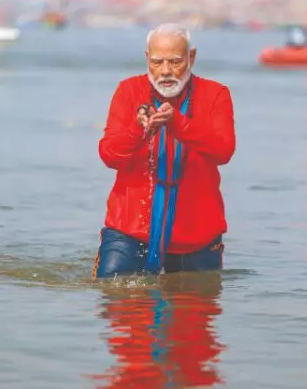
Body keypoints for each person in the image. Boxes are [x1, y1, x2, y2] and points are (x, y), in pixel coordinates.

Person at [93, 23, 236, 278]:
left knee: (193, 312)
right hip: (129, 232)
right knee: (115, 302)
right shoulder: (128, 91)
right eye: (157, 62)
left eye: (176, 61)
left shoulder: (216, 94)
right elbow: (109, 155)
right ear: (147, 58)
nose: (166, 71)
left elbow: (223, 151)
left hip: (197, 237)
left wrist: (178, 125)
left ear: (192, 57)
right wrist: (138, 130)